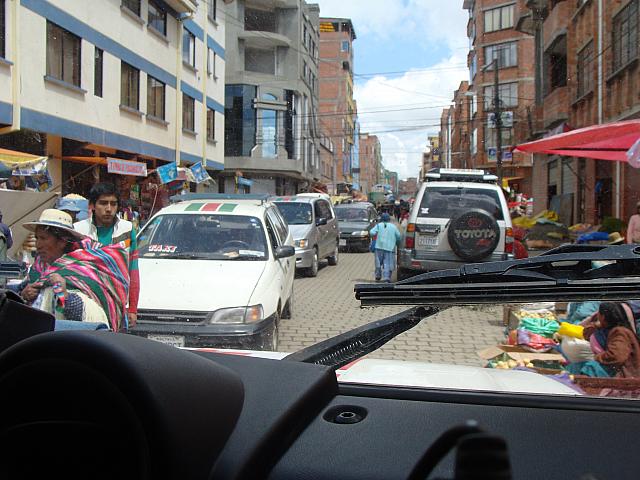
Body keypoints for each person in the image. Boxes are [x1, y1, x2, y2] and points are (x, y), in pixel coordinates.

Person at [20, 209, 130, 330]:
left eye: (43, 238)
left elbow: (85, 317)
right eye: (37, 238)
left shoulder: (84, 269)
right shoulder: (38, 268)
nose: (38, 244)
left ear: (61, 241)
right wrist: (24, 295)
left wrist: (61, 293)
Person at [74, 183, 139, 328]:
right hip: (87, 304)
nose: (109, 209)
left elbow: (133, 271)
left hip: (117, 304)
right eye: (103, 203)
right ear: (92, 205)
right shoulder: (78, 230)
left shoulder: (127, 230)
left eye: (113, 204)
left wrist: (133, 308)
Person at [568, 302, 640, 378]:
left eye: (599, 314)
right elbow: (586, 334)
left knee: (591, 367)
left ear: (603, 317)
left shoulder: (620, 332)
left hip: (625, 374)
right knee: (576, 366)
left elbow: (616, 356)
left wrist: (595, 357)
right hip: (614, 368)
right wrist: (595, 324)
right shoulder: (605, 329)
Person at [370, 212, 402, 282]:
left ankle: (378, 275)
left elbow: (371, 232)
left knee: (378, 263)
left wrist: (376, 235)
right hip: (389, 248)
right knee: (387, 263)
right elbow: (399, 236)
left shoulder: (379, 225)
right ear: (389, 219)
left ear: (381, 219)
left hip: (378, 247)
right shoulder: (393, 227)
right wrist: (397, 242)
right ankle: (386, 278)